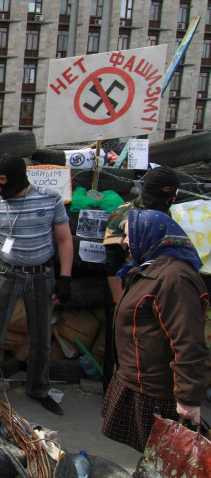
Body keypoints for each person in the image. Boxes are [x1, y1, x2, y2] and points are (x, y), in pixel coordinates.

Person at [0, 153, 73, 415]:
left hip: (42, 275)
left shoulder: (50, 197)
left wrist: (65, 277)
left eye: (3, 183)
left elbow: (64, 239)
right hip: (5, 273)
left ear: (19, 179)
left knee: (42, 337)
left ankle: (38, 389)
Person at [101, 209, 208, 452]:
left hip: (156, 390)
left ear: (147, 236)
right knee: (149, 455)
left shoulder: (175, 279)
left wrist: (188, 399)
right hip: (138, 380)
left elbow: (188, 342)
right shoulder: (150, 268)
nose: (125, 242)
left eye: (129, 235)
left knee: (163, 458)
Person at [102, 166, 180, 391]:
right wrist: (119, 302)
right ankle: (113, 391)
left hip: (155, 291)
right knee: (118, 347)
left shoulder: (167, 213)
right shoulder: (124, 214)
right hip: (125, 289)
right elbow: (111, 264)